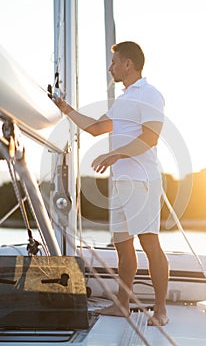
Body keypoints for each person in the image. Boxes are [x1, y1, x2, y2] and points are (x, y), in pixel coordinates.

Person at [54, 41, 169, 326]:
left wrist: (115, 153)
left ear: (128, 64)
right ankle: (122, 305)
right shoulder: (124, 99)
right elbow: (95, 128)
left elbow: (150, 138)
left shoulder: (150, 95)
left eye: (114, 62)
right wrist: (65, 108)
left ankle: (162, 311)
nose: (110, 68)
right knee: (122, 246)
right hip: (121, 183)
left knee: (149, 242)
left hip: (141, 181)